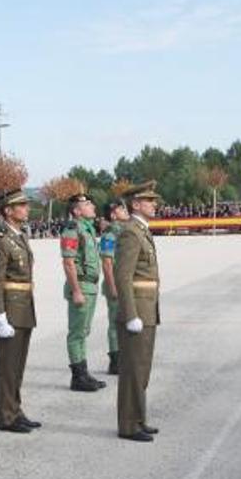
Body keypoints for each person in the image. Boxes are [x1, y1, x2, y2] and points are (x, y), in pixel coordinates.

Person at [0, 189, 39, 433]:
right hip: (11, 309)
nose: (26, 209)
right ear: (8, 211)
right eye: (21, 205)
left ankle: (16, 410)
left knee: (17, 364)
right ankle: (7, 416)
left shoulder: (19, 236)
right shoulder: (1, 239)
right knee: (7, 365)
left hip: (24, 307)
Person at [114, 181, 162, 442]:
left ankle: (139, 418)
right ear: (135, 204)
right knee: (133, 369)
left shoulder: (141, 230)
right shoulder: (131, 232)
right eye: (149, 200)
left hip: (147, 308)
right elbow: (123, 277)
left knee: (142, 368)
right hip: (137, 312)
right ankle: (129, 425)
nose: (155, 204)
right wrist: (131, 314)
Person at [59, 192, 106, 392]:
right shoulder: (72, 230)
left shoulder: (87, 229)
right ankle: (78, 377)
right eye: (87, 204)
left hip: (91, 286)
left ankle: (84, 373)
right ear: (77, 211)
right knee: (77, 333)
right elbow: (68, 262)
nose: (92, 206)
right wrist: (76, 291)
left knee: (84, 331)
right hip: (81, 287)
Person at [98, 200, 128, 376]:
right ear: (113, 215)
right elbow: (107, 263)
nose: (125, 211)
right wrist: (112, 287)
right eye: (121, 209)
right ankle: (115, 361)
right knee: (115, 324)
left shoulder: (124, 231)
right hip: (115, 284)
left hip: (124, 283)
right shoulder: (110, 235)